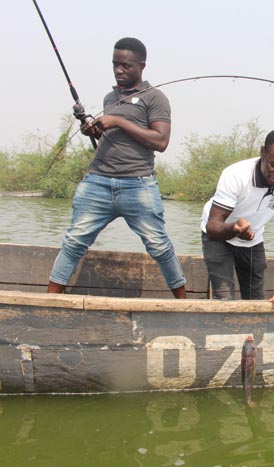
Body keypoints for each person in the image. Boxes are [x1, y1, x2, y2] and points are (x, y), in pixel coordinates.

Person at [47, 37, 186, 298]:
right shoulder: (110, 97)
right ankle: (50, 300)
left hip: (138, 184)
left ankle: (183, 303)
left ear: (141, 66)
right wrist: (94, 128)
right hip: (97, 181)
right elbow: (110, 140)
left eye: (125, 65)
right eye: (115, 65)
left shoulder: (155, 98)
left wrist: (118, 122)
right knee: (74, 241)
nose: (119, 70)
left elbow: (161, 141)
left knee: (158, 246)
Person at [200, 129, 274, 309]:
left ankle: (251, 336)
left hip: (252, 238)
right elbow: (213, 225)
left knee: (256, 300)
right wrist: (234, 229)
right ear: (263, 152)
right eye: (273, 164)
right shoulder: (236, 175)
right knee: (225, 300)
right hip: (219, 235)